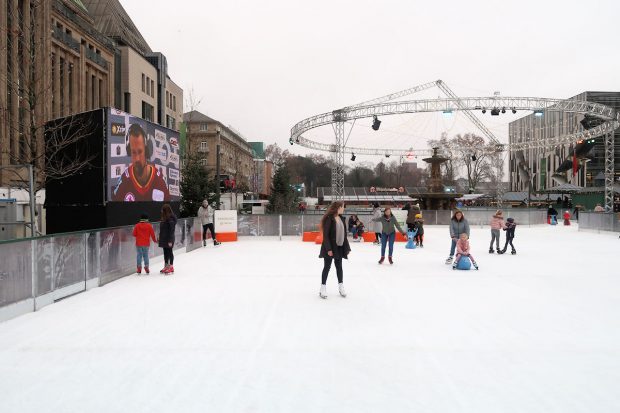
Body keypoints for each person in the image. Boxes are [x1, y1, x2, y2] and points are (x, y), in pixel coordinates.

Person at [112, 123, 170, 202]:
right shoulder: (124, 181)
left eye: (140, 152)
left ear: (146, 151)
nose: (137, 159)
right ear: (129, 152)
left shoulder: (160, 181)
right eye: (133, 152)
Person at [318, 202, 351, 299]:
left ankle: (341, 286)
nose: (343, 209)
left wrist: (347, 247)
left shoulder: (341, 218)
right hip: (330, 247)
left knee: (339, 267)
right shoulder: (329, 219)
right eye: (342, 207)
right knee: (327, 267)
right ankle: (322, 288)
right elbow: (326, 235)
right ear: (338, 208)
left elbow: (344, 235)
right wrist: (328, 249)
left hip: (339, 247)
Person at [158, 204, 177, 275]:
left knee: (170, 252)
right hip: (163, 238)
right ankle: (166, 265)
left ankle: (171, 266)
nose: (161, 211)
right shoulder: (164, 218)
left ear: (166, 210)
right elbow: (162, 229)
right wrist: (159, 236)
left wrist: (170, 240)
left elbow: (171, 230)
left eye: (162, 210)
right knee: (165, 252)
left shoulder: (171, 219)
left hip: (169, 238)